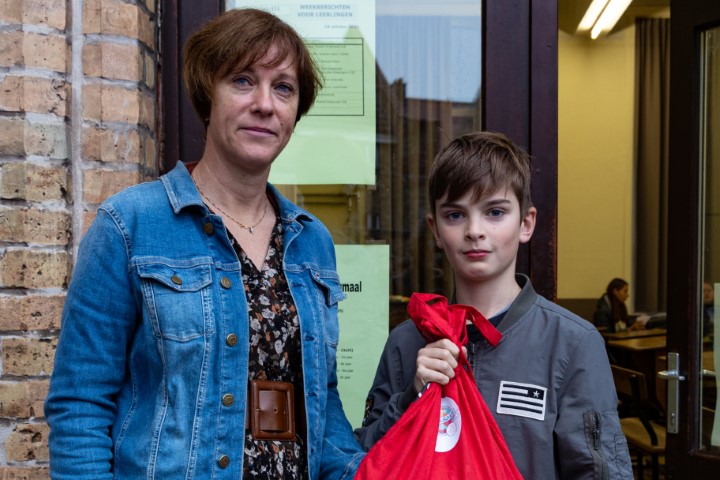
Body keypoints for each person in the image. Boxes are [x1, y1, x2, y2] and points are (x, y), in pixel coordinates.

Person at [45, 9, 364, 479]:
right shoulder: (130, 225)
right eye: (242, 80)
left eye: (283, 88)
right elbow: (80, 405)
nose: (265, 104)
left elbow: (322, 403)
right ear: (207, 94)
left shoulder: (311, 240)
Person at [354, 132, 633, 478]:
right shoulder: (405, 342)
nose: (474, 230)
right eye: (455, 215)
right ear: (436, 230)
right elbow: (364, 462)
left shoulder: (572, 343)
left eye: (495, 212)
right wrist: (412, 395)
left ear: (526, 224)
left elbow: (600, 473)